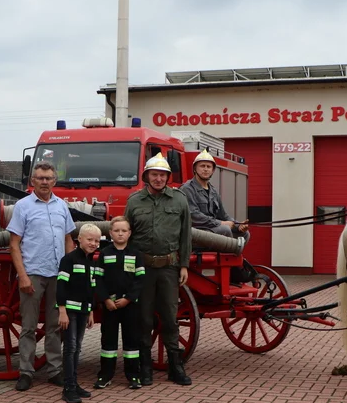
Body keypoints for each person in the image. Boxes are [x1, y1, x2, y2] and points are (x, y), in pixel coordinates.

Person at [125, 152, 193, 387]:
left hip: (169, 268)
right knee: (144, 319)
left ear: (168, 177)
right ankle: (146, 369)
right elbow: (127, 237)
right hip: (143, 269)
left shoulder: (179, 200)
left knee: (170, 319)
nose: (158, 179)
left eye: (162, 175)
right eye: (154, 174)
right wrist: (129, 269)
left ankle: (176, 367)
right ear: (146, 176)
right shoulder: (134, 201)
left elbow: (186, 236)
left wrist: (184, 265)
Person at [7, 161, 76, 392]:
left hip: (58, 274)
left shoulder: (62, 207)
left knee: (55, 326)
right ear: (32, 181)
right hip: (33, 274)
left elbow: (68, 240)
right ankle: (26, 372)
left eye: (48, 178)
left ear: (54, 181)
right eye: (40, 178)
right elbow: (14, 244)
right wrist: (23, 276)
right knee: (28, 326)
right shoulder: (22, 207)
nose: (44, 182)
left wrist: (69, 272)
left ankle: (54, 370)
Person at [93, 216, 145, 390]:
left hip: (130, 306)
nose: (120, 234)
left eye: (124, 231)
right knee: (108, 341)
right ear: (110, 233)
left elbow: (140, 280)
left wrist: (128, 299)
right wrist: (106, 299)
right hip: (110, 306)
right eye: (117, 231)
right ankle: (105, 375)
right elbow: (97, 279)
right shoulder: (104, 254)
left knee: (132, 341)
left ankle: (133, 376)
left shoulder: (136, 254)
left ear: (129, 233)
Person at [56, 223, 100, 403]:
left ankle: (74, 383)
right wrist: (62, 311)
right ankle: (68, 388)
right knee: (70, 347)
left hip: (83, 310)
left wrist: (90, 311)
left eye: (97, 240)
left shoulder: (91, 261)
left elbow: (91, 289)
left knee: (78, 347)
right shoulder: (68, 260)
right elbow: (61, 286)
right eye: (89, 239)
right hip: (70, 311)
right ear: (79, 239)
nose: (93, 243)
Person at [180, 149, 250, 246]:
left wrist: (238, 225)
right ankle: (224, 257)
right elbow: (194, 216)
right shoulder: (187, 189)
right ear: (195, 169)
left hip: (212, 229)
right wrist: (220, 223)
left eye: (209, 167)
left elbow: (224, 215)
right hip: (196, 233)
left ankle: (232, 258)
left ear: (212, 170)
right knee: (224, 230)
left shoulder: (213, 191)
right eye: (202, 166)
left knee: (244, 234)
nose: (205, 169)